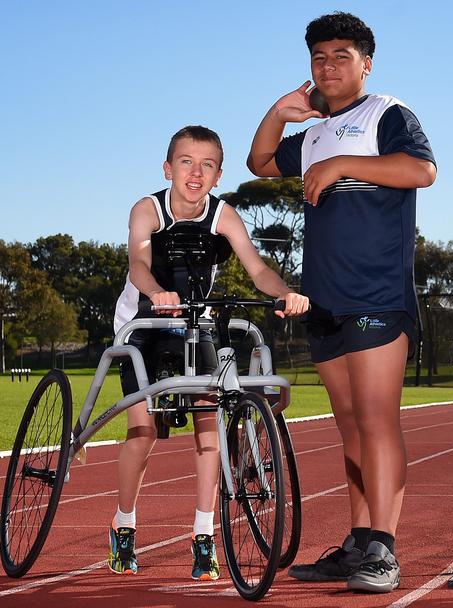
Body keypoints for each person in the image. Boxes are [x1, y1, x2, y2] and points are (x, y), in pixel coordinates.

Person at [247, 11, 436, 594]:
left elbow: (422, 171)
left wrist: (342, 164)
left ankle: (384, 548)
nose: (329, 66)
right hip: (323, 298)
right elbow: (259, 162)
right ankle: (358, 541)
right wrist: (279, 114)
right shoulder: (311, 135)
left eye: (341, 56)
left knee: (378, 422)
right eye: (319, 57)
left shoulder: (387, 114)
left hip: (377, 294)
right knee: (350, 427)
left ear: (366, 63)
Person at [110, 126, 309, 580]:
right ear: (168, 169)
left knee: (209, 430)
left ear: (218, 175)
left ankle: (204, 536)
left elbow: (257, 268)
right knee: (142, 434)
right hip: (140, 326)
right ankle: (124, 524)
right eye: (186, 162)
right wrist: (159, 292)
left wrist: (285, 293)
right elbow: (138, 263)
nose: (195, 172)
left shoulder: (224, 215)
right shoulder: (147, 209)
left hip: (191, 328)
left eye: (207, 165)